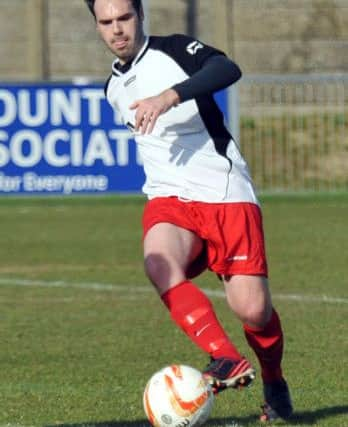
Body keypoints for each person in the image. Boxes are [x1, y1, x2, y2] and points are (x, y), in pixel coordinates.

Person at [84, 0, 293, 422]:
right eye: (106, 22)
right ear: (97, 26)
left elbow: (227, 69)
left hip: (224, 190)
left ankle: (274, 381)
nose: (117, 29)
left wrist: (169, 96)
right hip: (169, 198)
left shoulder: (175, 51)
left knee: (253, 310)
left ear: (140, 15)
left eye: (124, 18)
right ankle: (225, 357)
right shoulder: (113, 88)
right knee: (158, 261)